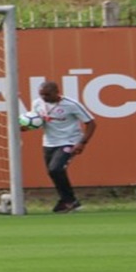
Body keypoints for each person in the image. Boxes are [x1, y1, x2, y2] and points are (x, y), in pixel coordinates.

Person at [26, 81, 97, 213]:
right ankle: (68, 200)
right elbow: (36, 122)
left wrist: (82, 142)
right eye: (42, 95)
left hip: (69, 141)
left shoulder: (71, 104)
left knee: (55, 169)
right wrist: (26, 127)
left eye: (47, 94)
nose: (44, 97)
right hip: (48, 143)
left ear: (56, 92)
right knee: (53, 172)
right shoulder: (37, 103)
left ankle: (69, 200)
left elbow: (91, 123)